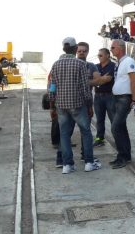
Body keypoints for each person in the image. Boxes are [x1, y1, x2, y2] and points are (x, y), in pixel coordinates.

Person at [50, 37, 101, 174]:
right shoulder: (80, 64)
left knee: (65, 134)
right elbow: (85, 88)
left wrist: (52, 105)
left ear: (63, 49)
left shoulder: (56, 64)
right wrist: (89, 105)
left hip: (61, 105)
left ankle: (67, 165)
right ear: (75, 48)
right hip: (78, 105)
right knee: (86, 132)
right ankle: (89, 162)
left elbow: (52, 87)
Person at [110, 39, 135, 169]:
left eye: (113, 48)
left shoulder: (128, 62)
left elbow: (134, 81)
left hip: (124, 99)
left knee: (115, 128)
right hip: (118, 99)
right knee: (121, 128)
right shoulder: (120, 63)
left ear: (120, 48)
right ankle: (125, 156)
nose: (111, 50)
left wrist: (134, 99)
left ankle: (122, 156)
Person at [93, 48, 115, 147]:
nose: (99, 57)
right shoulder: (96, 66)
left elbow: (108, 79)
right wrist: (100, 79)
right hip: (98, 96)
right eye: (98, 55)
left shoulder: (113, 66)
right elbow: (92, 80)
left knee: (113, 119)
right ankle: (99, 138)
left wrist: (98, 79)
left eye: (101, 55)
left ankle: (117, 138)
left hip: (109, 96)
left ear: (107, 55)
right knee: (99, 119)